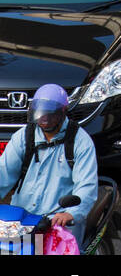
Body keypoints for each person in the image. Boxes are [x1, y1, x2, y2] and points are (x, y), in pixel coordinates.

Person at [0, 84, 98, 250]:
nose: (44, 121)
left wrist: (71, 213)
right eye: (41, 115)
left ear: (62, 112)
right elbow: (3, 172)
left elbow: (86, 186)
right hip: (22, 220)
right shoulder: (23, 137)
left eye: (50, 116)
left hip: (58, 220)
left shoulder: (81, 141)